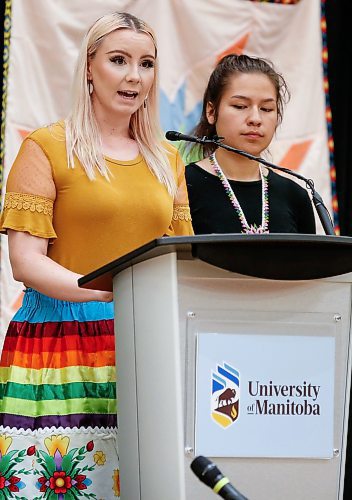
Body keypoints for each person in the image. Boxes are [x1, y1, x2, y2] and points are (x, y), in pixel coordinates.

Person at [0, 12, 193, 498]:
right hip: (60, 341)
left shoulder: (168, 159)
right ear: (89, 67)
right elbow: (26, 262)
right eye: (119, 60)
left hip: (145, 340)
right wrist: (112, 291)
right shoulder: (45, 147)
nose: (134, 75)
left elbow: (180, 260)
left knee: (144, 483)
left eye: (146, 63)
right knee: (59, 484)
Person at [184, 54, 316, 235]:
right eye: (240, 106)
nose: (255, 119)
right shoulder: (183, 187)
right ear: (211, 112)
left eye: (266, 109)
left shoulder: (295, 196)